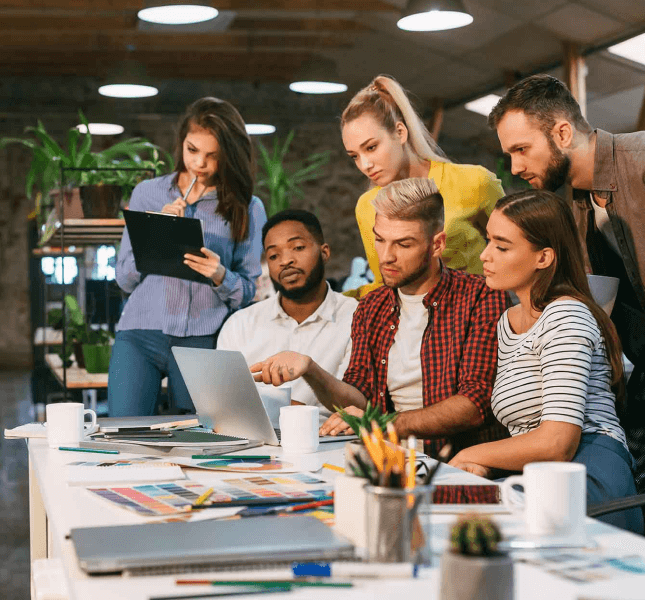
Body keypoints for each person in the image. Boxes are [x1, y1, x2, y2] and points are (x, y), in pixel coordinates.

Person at [251, 178, 509, 459]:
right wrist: (311, 370)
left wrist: (381, 425)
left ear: (437, 244)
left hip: (457, 465)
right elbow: (359, 397)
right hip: (387, 461)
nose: (386, 256)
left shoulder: (481, 296)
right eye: (380, 239)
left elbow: (474, 404)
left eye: (403, 244)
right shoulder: (372, 305)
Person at [448, 190, 642, 533]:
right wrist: (489, 467)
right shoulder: (507, 323)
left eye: (501, 246)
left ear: (544, 257)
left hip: (588, 472)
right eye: (488, 241)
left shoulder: (566, 315)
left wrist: (472, 455)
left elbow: (557, 441)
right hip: (541, 474)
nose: (485, 256)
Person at [488, 74, 645, 492]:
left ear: (562, 132)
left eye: (522, 149)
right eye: (510, 154)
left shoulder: (641, 160)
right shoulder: (574, 208)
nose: (516, 167)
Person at [108, 97, 267, 417]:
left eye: (213, 156)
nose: (199, 164)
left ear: (229, 156)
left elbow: (248, 292)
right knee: (122, 431)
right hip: (139, 332)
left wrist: (221, 275)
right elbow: (123, 278)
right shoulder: (147, 194)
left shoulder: (249, 207)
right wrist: (156, 235)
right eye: (192, 150)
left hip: (203, 338)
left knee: (201, 440)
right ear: (181, 142)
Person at [341, 74, 505, 297]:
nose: (365, 165)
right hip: (409, 326)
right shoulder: (367, 206)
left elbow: (517, 250)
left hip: (478, 318)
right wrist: (329, 303)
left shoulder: (474, 182)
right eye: (354, 156)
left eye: (371, 148)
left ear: (400, 132)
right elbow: (384, 284)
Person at [217, 209, 358, 423]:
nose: (285, 261)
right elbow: (221, 402)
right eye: (274, 255)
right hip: (251, 442)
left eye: (298, 248)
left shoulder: (357, 318)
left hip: (326, 441)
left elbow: (360, 402)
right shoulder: (240, 324)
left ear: (324, 252)